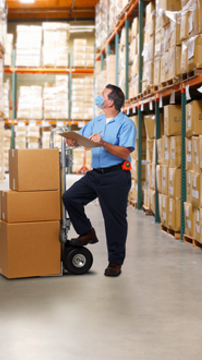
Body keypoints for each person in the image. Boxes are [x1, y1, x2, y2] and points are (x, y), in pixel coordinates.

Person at [63, 84, 137, 277]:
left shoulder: (126, 124)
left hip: (116, 176)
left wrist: (103, 143)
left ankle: (115, 262)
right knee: (70, 197)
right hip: (95, 175)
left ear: (110, 101)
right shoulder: (95, 121)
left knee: (114, 220)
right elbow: (83, 139)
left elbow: (124, 152)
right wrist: (73, 142)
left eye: (102, 95)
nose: (99, 97)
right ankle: (87, 232)